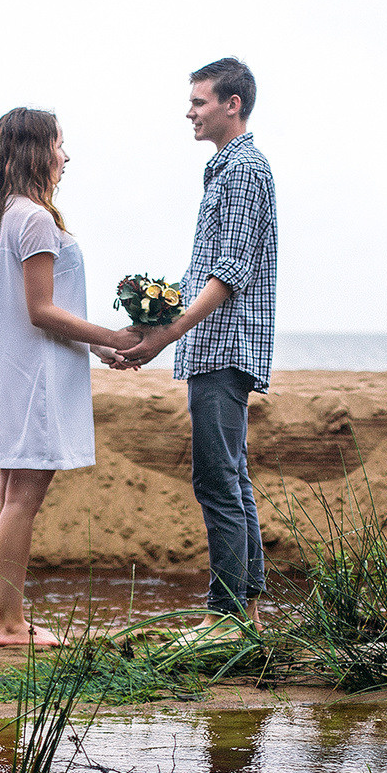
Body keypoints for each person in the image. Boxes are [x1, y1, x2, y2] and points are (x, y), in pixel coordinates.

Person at [116, 58, 277, 627]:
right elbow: (202, 273)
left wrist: (168, 337)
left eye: (199, 102)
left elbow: (229, 273)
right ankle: (248, 613)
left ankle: (224, 616)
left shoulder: (243, 170)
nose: (189, 112)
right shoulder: (226, 169)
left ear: (232, 104)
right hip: (216, 344)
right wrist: (148, 324)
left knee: (217, 480)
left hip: (224, 346)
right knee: (231, 478)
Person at [0, 108, 141, 646]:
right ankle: (9, 624)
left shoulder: (13, 213)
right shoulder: (37, 219)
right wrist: (114, 337)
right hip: (38, 379)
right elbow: (42, 310)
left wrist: (97, 347)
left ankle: (6, 619)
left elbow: (49, 307)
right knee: (21, 498)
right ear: (37, 151)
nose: (67, 157)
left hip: (23, 371)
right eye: (61, 145)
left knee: (8, 496)